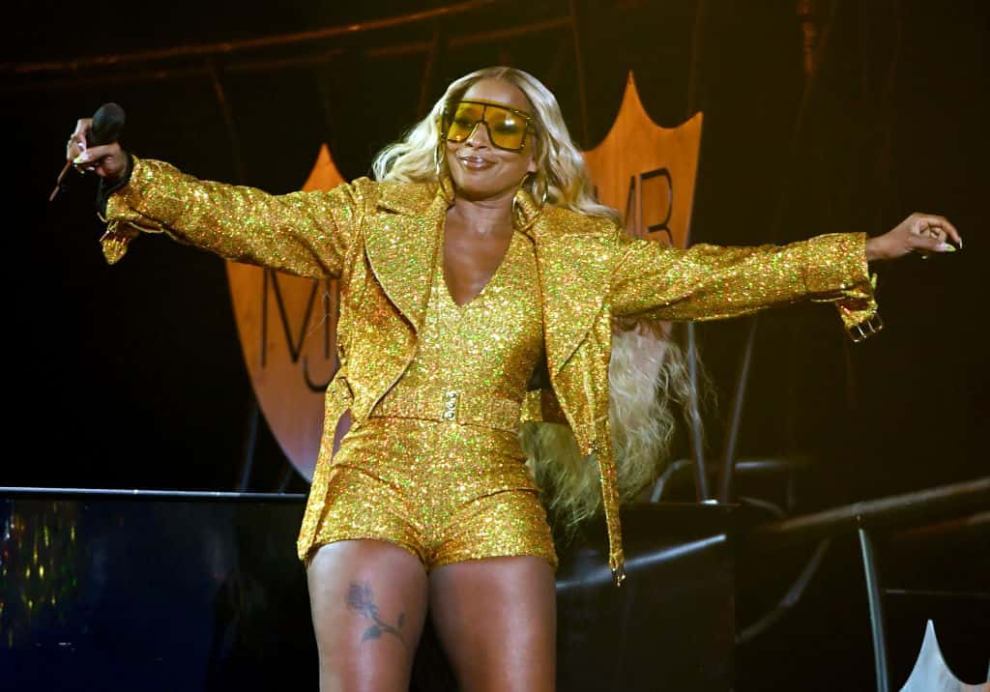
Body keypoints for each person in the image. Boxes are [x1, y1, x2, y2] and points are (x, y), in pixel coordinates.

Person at [67, 66, 960, 691]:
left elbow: (714, 276)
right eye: (466, 121)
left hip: (492, 487)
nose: (481, 140)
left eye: (506, 127)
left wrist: (866, 250)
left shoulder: (576, 253)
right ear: (443, 135)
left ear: (537, 153)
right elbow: (246, 219)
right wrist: (136, 176)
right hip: (372, 475)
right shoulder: (368, 215)